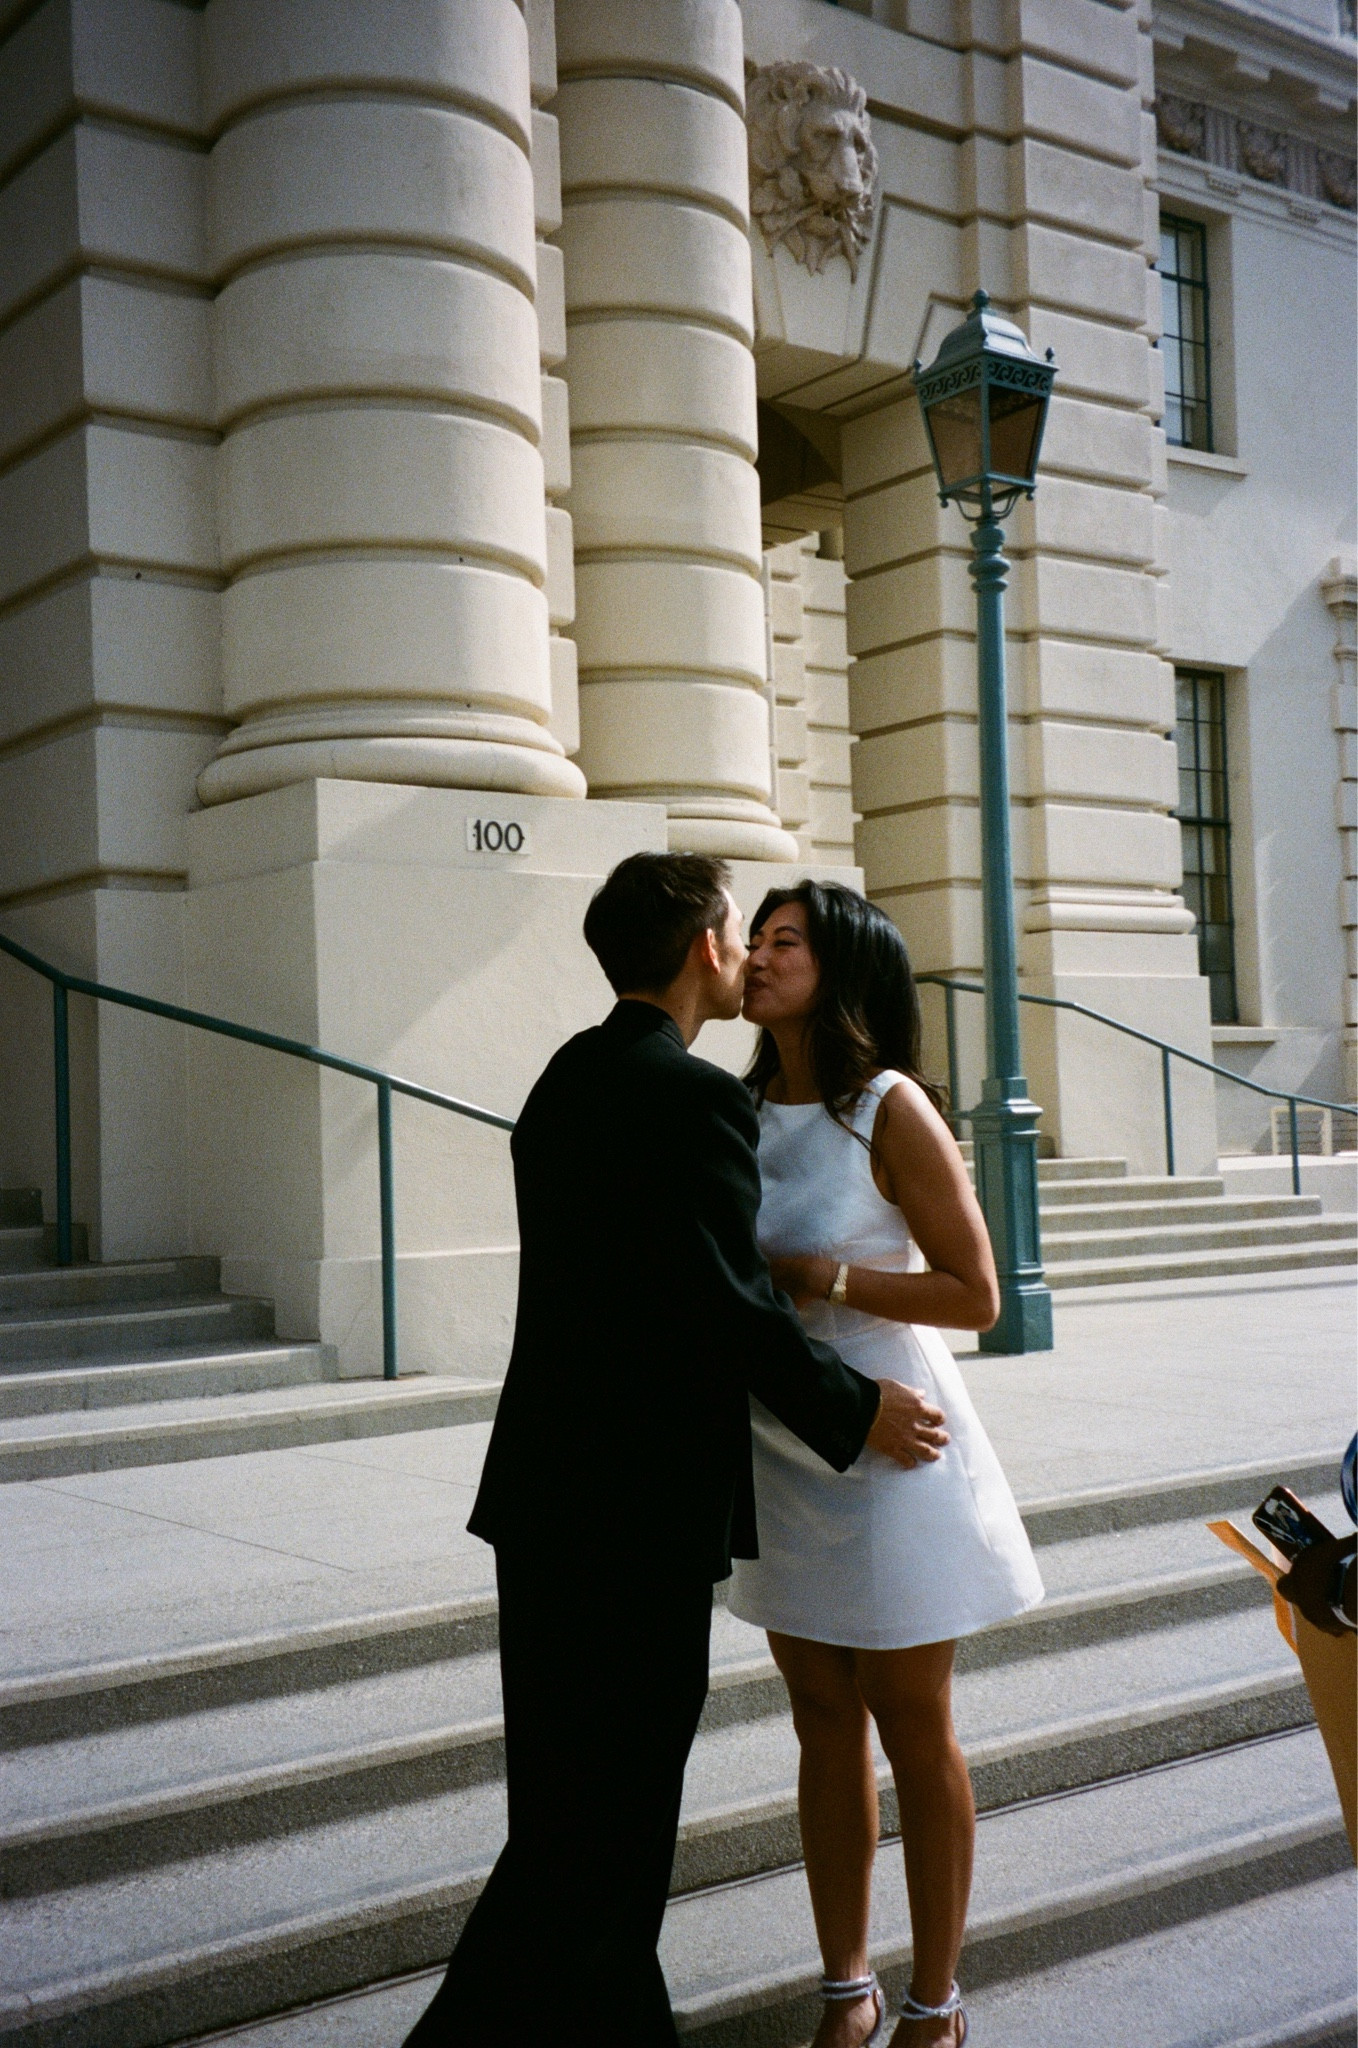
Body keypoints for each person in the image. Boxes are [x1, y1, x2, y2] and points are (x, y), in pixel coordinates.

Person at [402, 853, 948, 2048]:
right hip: (634, 1515)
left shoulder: (564, 1076)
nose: (748, 950)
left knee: (561, 1814)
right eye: (734, 931)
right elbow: (731, 1306)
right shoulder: (691, 1099)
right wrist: (854, 1411)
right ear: (704, 950)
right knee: (617, 1813)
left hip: (540, 1500)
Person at [728, 882, 1045, 2048]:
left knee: (911, 1716)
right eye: (753, 939)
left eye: (783, 941)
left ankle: (936, 1996)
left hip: (892, 1426)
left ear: (841, 963)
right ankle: (843, 1983)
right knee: (817, 1714)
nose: (757, 957)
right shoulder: (737, 1104)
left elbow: (975, 1293)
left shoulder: (887, 1106)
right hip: (781, 1435)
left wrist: (829, 1278)